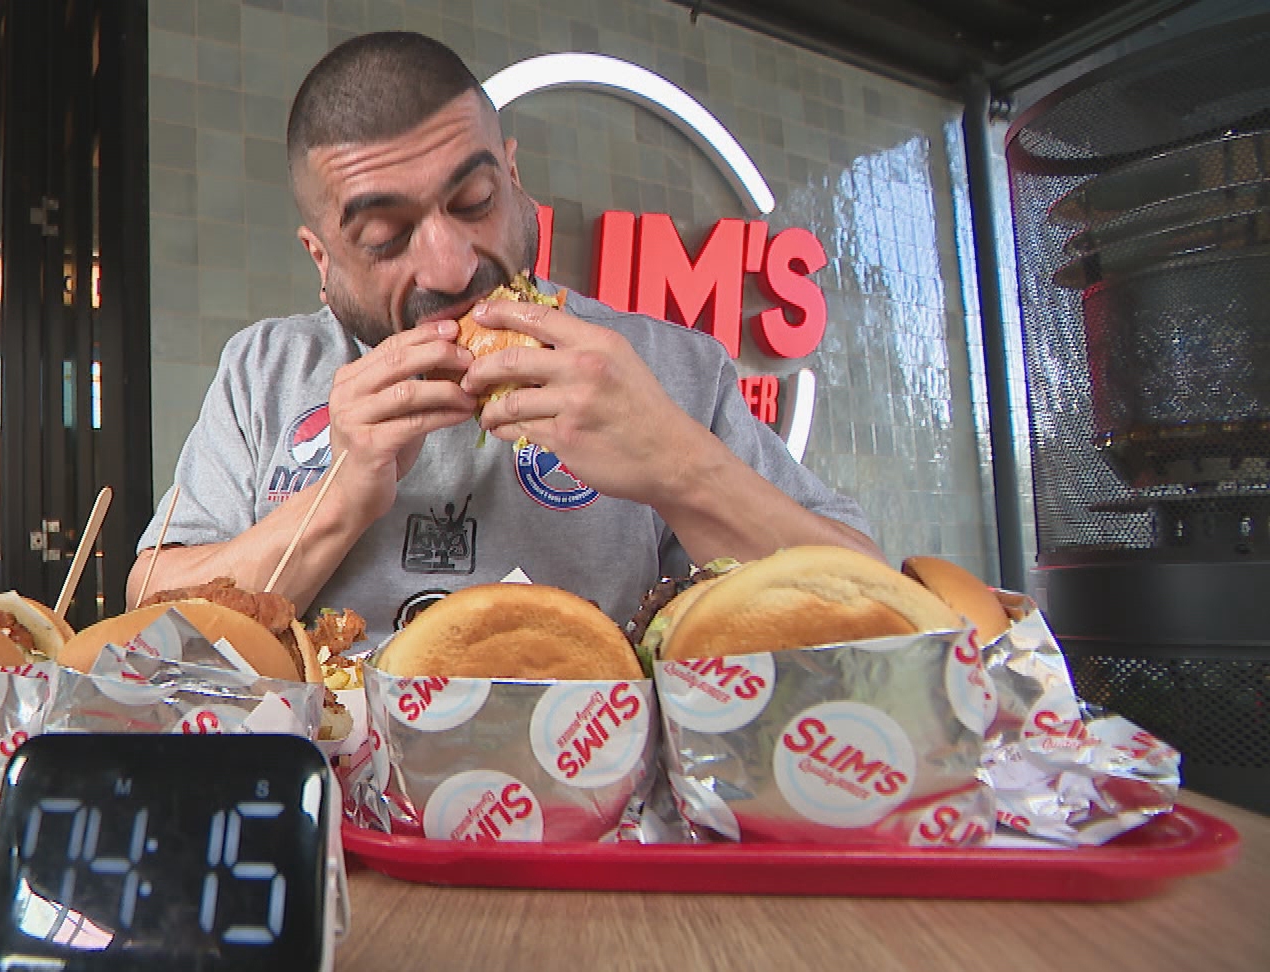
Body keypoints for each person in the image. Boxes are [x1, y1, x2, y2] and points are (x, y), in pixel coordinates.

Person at [131, 32, 875, 645]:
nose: (452, 267)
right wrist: (339, 496)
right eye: (385, 238)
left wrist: (677, 464)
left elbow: (877, 612)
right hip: (322, 811)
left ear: (515, 180)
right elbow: (146, 623)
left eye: (475, 202)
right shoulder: (267, 368)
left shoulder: (669, 366)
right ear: (321, 261)